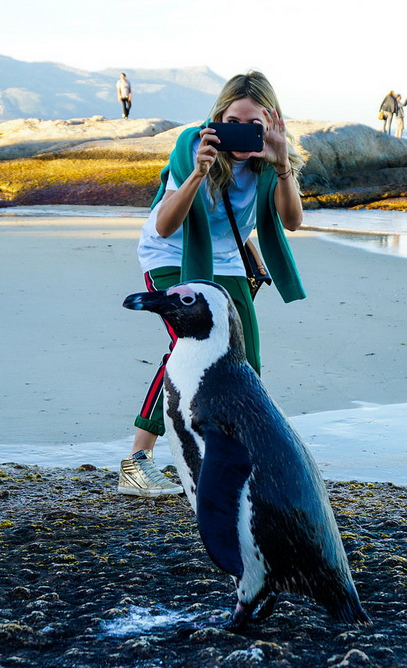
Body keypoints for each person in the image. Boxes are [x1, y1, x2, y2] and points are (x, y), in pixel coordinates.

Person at [119, 70, 307, 497]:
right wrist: (199, 172)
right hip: (170, 256)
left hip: (226, 261)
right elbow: (166, 227)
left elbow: (292, 222)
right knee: (189, 351)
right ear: (218, 117)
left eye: (253, 126)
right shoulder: (192, 146)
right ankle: (137, 462)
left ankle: (237, 458)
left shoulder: (274, 160)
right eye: (232, 123)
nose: (240, 134)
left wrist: (280, 166)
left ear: (272, 121)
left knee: (244, 363)